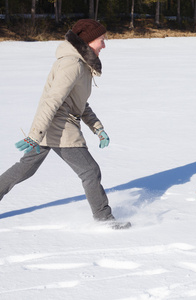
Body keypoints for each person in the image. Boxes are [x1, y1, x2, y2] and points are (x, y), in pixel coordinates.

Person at [0, 19, 131, 230]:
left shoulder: (82, 63)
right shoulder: (72, 64)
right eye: (101, 40)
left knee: (25, 169)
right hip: (59, 125)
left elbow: (79, 103)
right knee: (89, 171)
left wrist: (97, 127)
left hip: (55, 123)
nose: (104, 45)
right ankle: (104, 220)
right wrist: (35, 134)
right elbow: (52, 100)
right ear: (88, 41)